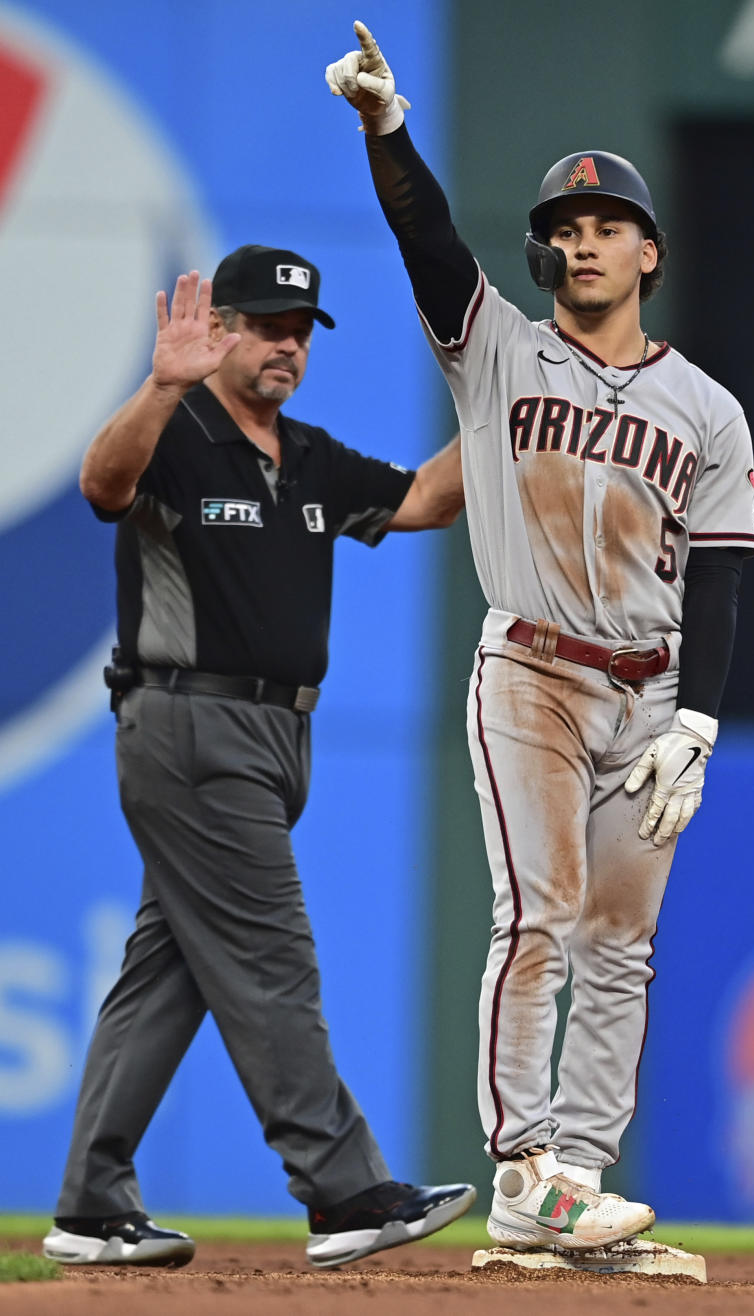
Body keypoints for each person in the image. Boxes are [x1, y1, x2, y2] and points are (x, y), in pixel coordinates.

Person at [327, 24, 754, 1254]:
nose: (581, 239)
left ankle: (576, 1180)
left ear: (650, 252)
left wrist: (699, 716)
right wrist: (387, 133)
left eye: (605, 223)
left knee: (621, 941)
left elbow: (725, 572)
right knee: (540, 912)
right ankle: (524, 1168)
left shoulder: (706, 409)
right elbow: (427, 244)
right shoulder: (498, 354)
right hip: (532, 672)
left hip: (653, 687)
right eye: (566, 227)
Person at [42, 244, 475, 1270]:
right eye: (267, 325)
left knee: (169, 972)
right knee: (272, 958)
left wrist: (503, 409)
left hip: (277, 736)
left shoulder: (309, 457)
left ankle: (92, 1204)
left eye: (300, 331)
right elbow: (103, 484)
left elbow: (424, 498)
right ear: (220, 329)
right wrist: (159, 385)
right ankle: (344, 1188)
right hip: (192, 724)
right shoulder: (177, 432)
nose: (286, 345)